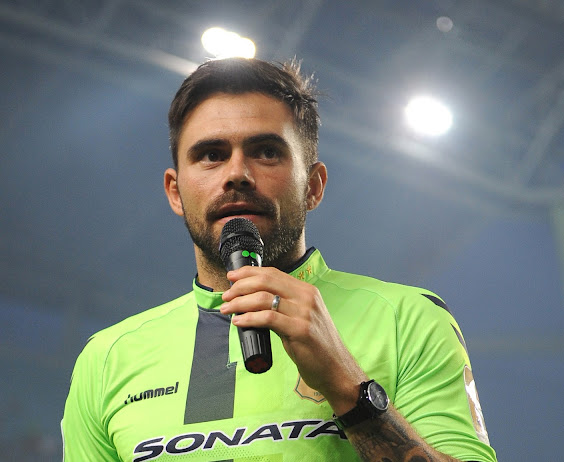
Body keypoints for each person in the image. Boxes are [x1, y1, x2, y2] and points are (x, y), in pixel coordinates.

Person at [61, 57, 498, 462]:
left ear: (313, 185)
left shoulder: (408, 319)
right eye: (212, 155)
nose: (237, 174)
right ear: (175, 191)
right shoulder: (107, 360)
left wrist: (346, 385)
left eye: (266, 151)